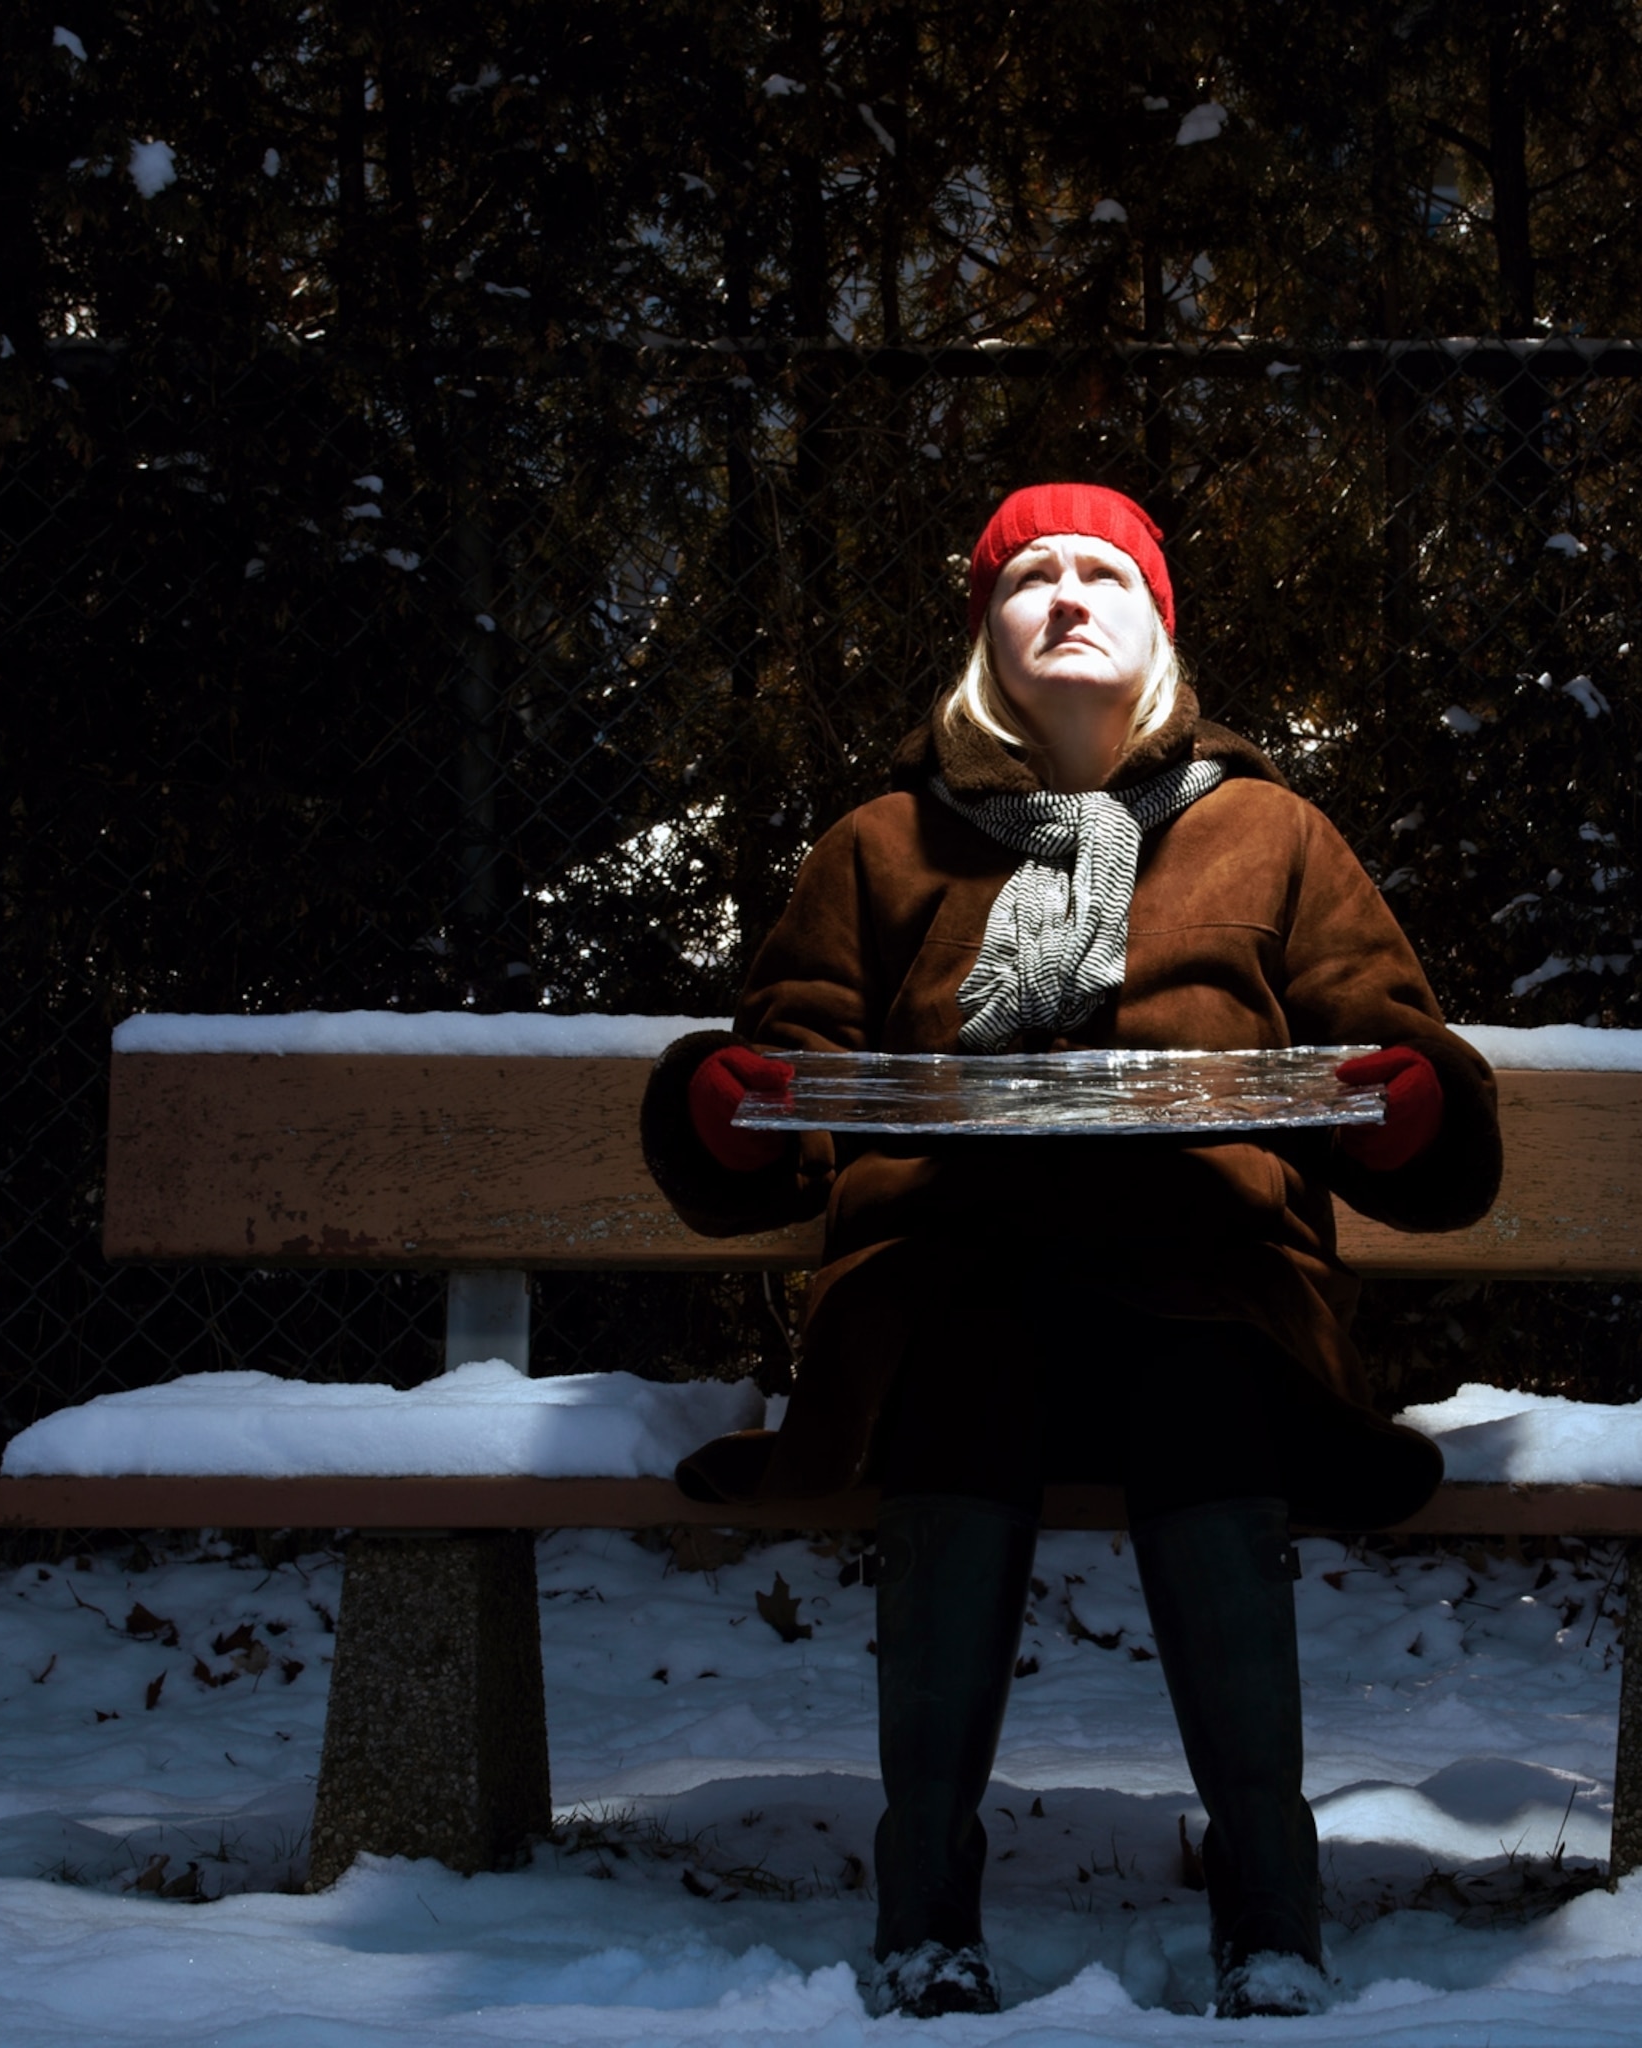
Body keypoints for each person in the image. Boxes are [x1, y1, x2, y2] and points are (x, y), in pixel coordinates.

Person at [639, 481, 1501, 2019]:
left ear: (1157, 620)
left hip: (1210, 1282)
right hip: (953, 1289)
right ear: (985, 633)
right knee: (970, 1358)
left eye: (1105, 571)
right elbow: (790, 1071)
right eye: (1029, 576)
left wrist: (1410, 1109)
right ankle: (924, 1896)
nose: (1068, 594)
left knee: (1201, 1377)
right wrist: (729, 1111)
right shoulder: (881, 845)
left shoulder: (1273, 835)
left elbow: (1392, 1045)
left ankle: (1270, 1895)